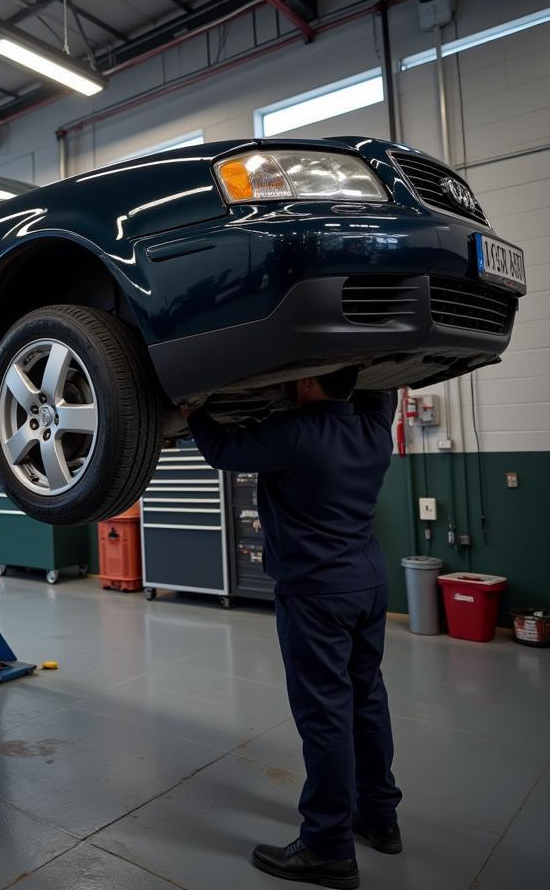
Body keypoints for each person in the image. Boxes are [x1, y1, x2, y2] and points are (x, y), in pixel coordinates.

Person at [185, 366, 402, 889]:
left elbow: (223, 451)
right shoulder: (374, 428)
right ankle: (379, 816)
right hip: (368, 587)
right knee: (366, 698)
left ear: (306, 382)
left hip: (315, 594)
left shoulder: (295, 433)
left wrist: (193, 411)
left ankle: (328, 846)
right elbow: (385, 389)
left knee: (325, 713)